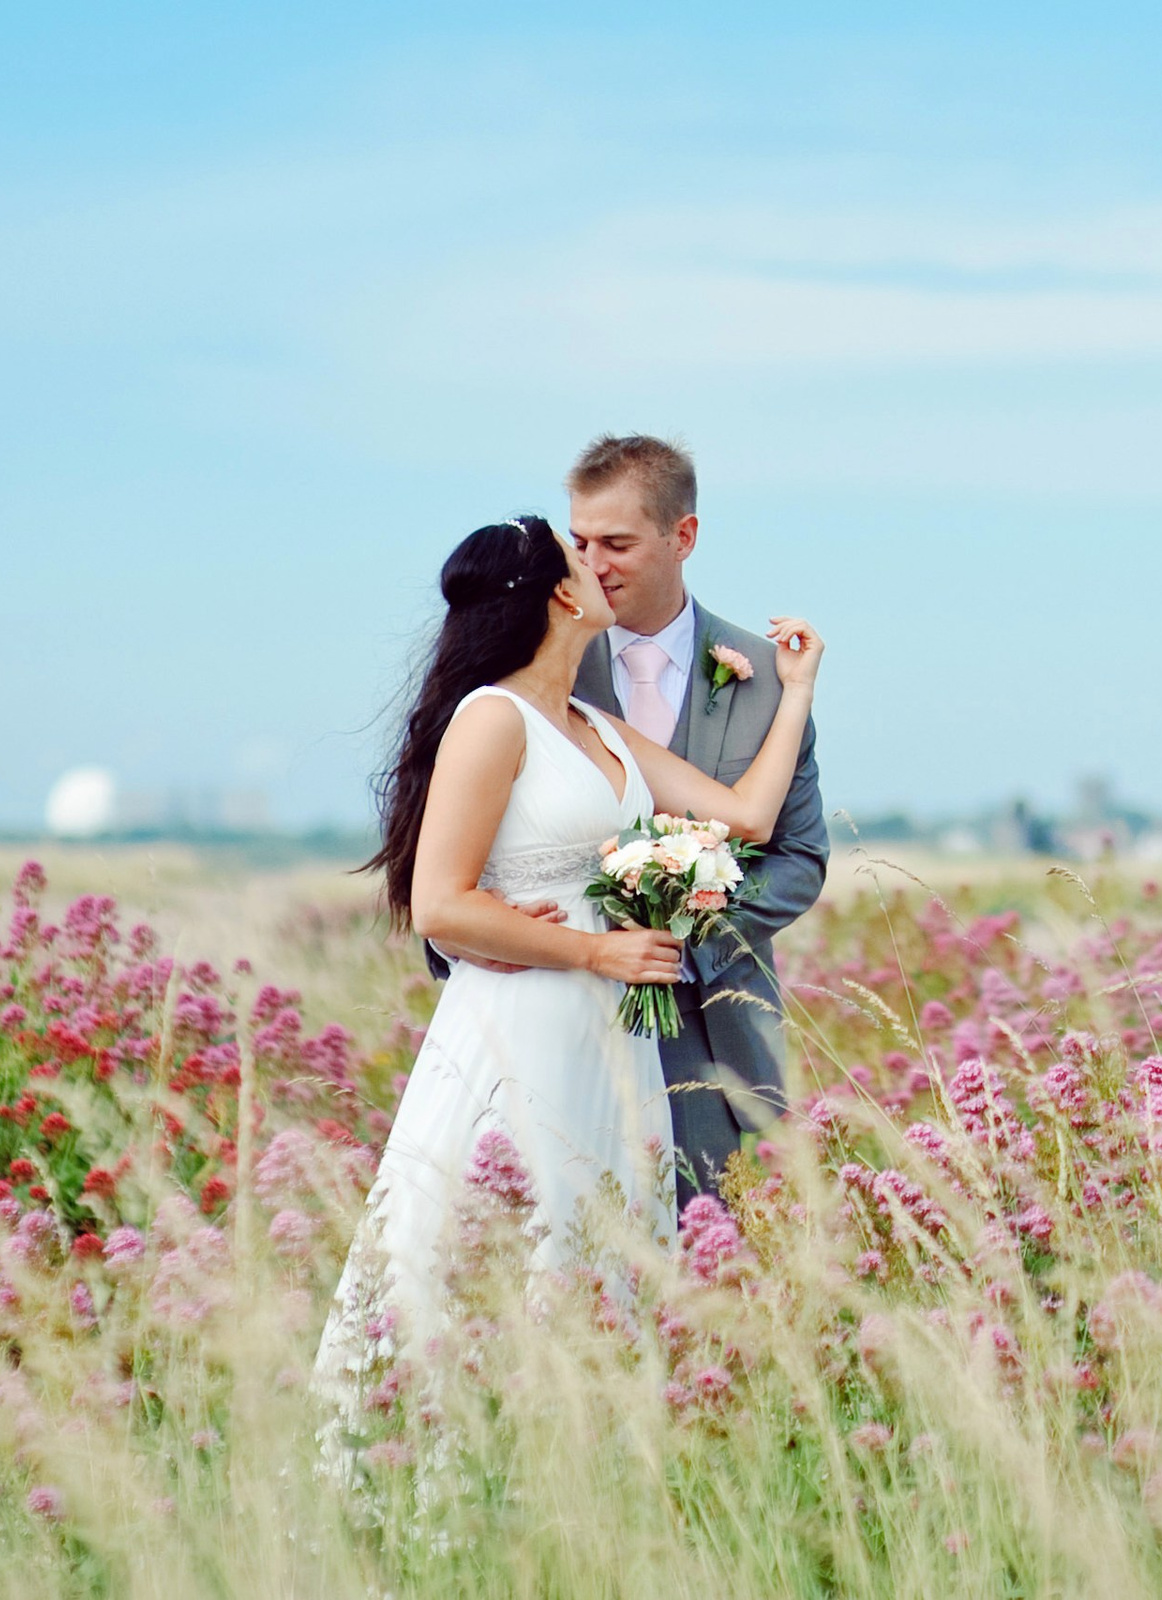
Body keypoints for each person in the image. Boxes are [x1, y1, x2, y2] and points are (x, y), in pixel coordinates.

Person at [316, 513, 823, 1378]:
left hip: (615, 1033)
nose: (597, 564)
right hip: (529, 1019)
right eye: (578, 555)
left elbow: (745, 818)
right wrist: (597, 954)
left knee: (606, 1232)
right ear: (559, 594)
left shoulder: (593, 723)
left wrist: (798, 689)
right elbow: (440, 903)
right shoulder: (493, 718)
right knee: (516, 1229)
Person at [562, 433, 832, 1202]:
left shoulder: (768, 678)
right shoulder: (540, 664)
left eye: (617, 544)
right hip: (563, 1008)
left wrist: (692, 922)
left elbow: (800, 858)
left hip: (711, 1032)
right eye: (579, 543)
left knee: (704, 1244)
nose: (592, 564)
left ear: (683, 537)